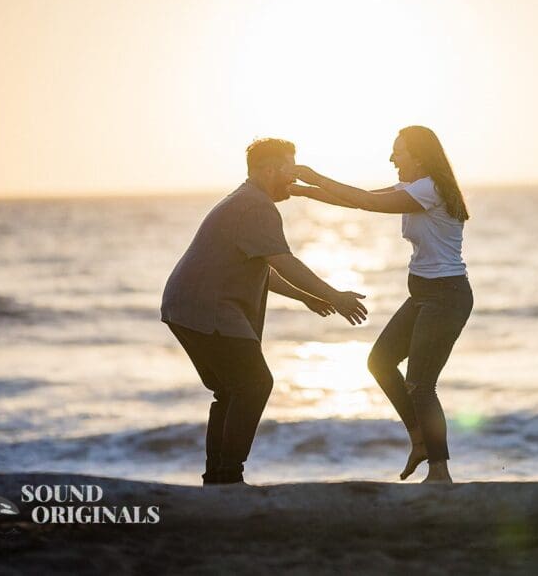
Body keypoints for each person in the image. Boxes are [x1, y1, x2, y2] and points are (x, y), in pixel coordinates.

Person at [161, 138, 368, 485]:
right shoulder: (256, 207)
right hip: (208, 308)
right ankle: (229, 476)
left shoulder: (244, 200)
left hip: (185, 306)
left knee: (231, 390)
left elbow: (261, 265)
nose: (294, 179)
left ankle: (218, 477)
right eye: (289, 169)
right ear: (269, 169)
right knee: (255, 384)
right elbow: (283, 261)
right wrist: (336, 295)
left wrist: (305, 297)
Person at [292, 126, 472, 483]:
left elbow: (367, 202)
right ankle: (420, 440)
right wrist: (301, 191)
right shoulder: (413, 188)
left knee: (421, 384)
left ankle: (440, 471)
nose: (392, 159)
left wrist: (313, 176)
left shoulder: (429, 189)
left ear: (418, 156)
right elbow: (354, 198)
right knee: (380, 361)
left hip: (446, 297)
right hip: (424, 296)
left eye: (397, 152)